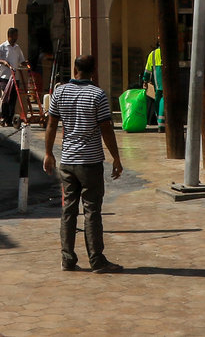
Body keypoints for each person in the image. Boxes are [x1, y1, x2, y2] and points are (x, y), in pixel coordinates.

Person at [42, 53, 124, 273]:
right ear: (93, 71)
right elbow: (106, 128)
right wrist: (116, 157)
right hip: (90, 162)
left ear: (74, 69)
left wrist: (49, 153)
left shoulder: (60, 92)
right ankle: (96, 260)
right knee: (92, 211)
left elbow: (51, 125)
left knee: (68, 210)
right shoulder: (97, 95)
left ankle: (67, 259)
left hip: (67, 161)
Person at [0, 27, 27, 125]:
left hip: (15, 77)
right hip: (5, 76)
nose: (16, 37)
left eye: (17, 35)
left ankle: (10, 119)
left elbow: (21, 60)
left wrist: (25, 63)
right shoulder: (2, 47)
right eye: (15, 35)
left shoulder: (17, 48)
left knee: (13, 98)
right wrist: (4, 62)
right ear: (10, 36)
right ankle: (3, 117)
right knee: (6, 97)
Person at [142, 45, 163, 129]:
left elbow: (147, 70)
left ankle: (161, 124)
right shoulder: (170, 53)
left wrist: (145, 80)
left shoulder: (152, 54)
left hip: (158, 84)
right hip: (168, 83)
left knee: (158, 100)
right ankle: (163, 123)